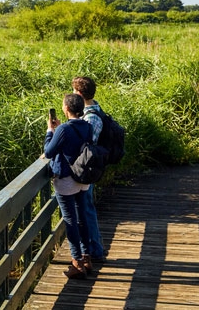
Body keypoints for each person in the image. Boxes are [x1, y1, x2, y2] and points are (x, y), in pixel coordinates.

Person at [44, 93, 92, 279]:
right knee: (81, 217)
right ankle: (86, 258)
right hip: (83, 177)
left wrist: (50, 131)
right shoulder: (87, 126)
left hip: (66, 178)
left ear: (66, 108)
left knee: (70, 219)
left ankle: (77, 262)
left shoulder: (63, 129)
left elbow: (49, 152)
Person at [72, 76, 107, 263]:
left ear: (78, 93)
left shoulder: (91, 116)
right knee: (85, 208)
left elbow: (87, 144)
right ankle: (92, 247)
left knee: (86, 209)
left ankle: (95, 249)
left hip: (87, 169)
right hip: (87, 167)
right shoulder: (91, 111)